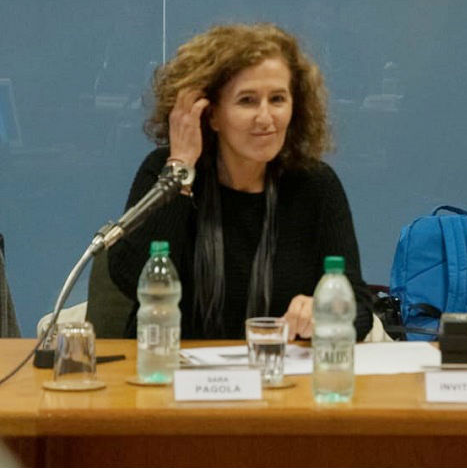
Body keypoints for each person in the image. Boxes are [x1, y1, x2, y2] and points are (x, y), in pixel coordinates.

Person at [108, 23, 373, 340]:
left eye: (277, 99)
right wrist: (180, 170)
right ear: (211, 114)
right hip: (172, 375)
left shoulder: (315, 185)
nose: (265, 118)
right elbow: (131, 279)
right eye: (247, 101)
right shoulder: (165, 174)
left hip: (277, 375)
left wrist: (325, 313)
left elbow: (358, 307)